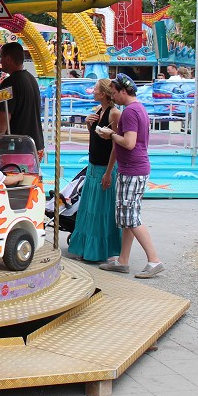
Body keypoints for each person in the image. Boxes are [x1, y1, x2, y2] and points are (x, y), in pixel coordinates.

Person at [97, 74, 164, 279]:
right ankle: (123, 259)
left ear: (124, 91)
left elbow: (128, 142)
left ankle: (154, 259)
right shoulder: (139, 109)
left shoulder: (129, 112)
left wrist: (110, 135)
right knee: (128, 216)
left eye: (115, 92)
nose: (113, 96)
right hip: (136, 168)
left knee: (131, 217)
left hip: (132, 169)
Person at [65, 78, 121, 263]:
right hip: (93, 164)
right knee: (88, 209)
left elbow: (115, 145)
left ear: (104, 93)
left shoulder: (114, 114)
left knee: (100, 211)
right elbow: (96, 139)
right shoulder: (98, 111)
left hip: (104, 167)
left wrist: (109, 172)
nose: (93, 92)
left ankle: (100, 250)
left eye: (95, 89)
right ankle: (86, 247)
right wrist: (89, 125)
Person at [0, 42, 45, 159]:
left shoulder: (10, 83)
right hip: (35, 144)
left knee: (13, 176)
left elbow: (4, 117)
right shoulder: (31, 79)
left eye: (1, 57)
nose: (0, 61)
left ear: (8, 59)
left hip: (17, 147)